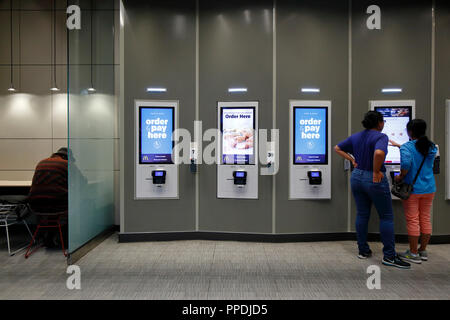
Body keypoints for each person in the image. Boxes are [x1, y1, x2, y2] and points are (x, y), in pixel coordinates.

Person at [334, 111, 410, 269]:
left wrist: (352, 160)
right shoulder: (381, 137)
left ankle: (363, 250)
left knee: (362, 214)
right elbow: (379, 152)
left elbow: (337, 148)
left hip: (357, 176)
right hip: (373, 178)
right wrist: (376, 171)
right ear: (380, 123)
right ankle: (389, 256)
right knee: (386, 217)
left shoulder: (356, 136)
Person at [391, 119, 437, 264]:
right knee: (425, 218)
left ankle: (413, 253)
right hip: (429, 188)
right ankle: (423, 250)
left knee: (413, 220)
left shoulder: (407, 147)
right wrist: (399, 146)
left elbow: (405, 164)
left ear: (410, 132)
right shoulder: (432, 147)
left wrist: (400, 177)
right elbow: (419, 152)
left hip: (413, 189)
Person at [28, 147, 68, 247]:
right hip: (58, 204)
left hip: (35, 204)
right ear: (66, 157)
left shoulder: (41, 162)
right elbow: (81, 181)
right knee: (74, 205)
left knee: (51, 202)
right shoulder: (66, 164)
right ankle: (65, 239)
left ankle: (48, 236)